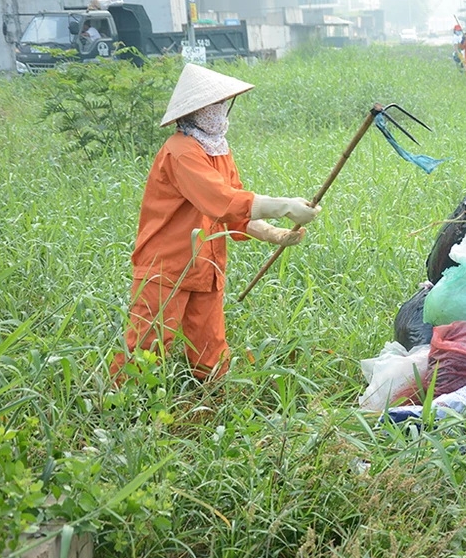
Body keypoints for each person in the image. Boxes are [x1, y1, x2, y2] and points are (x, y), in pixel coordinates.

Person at [113, 64, 321, 381]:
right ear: (196, 112)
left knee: (210, 349)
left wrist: (273, 235)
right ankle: (124, 409)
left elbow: (236, 207)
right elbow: (222, 201)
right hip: (167, 266)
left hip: (206, 266)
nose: (222, 112)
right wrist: (285, 207)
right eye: (215, 106)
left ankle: (211, 401)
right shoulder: (181, 152)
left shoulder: (219, 151)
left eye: (223, 105)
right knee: (147, 348)